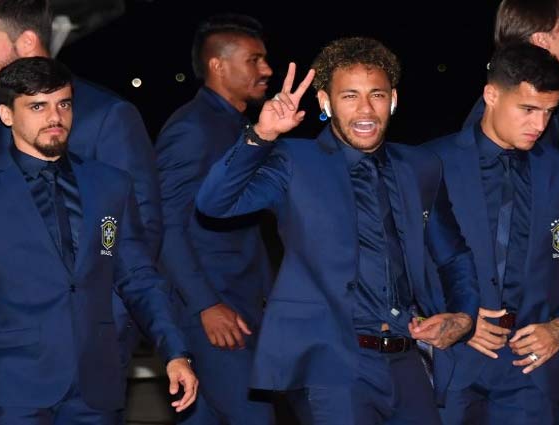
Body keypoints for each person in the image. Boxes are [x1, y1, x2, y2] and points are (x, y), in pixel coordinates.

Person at [196, 37, 480, 425]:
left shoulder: (420, 166)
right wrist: (261, 135)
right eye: (349, 96)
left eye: (377, 94)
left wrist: (464, 315)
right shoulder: (295, 160)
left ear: (393, 99)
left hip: (405, 354)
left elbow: (453, 254)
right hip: (329, 363)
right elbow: (214, 203)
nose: (365, 109)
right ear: (325, 102)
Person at [0, 57, 197, 425]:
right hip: (10, 387)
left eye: (63, 104)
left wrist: (175, 350)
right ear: (7, 114)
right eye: (38, 107)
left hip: (96, 385)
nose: (55, 117)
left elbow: (138, 276)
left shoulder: (110, 184)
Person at [0, 0, 162, 374]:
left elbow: (138, 231)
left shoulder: (106, 116)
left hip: (86, 343)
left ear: (27, 41)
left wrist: (105, 328)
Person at [426, 43, 559, 425]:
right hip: (454, 362)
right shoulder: (429, 164)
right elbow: (407, 258)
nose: (540, 125)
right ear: (491, 95)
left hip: (530, 367)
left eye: (549, 112)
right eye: (528, 109)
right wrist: (458, 321)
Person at [464, 2, 559, 422]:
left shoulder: (544, 119)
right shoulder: (497, 136)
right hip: (512, 351)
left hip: (542, 335)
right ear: (543, 40)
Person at [154, 14, 275, 425]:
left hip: (237, 306)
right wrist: (206, 304)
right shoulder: (193, 129)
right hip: (213, 313)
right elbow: (165, 224)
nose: (266, 70)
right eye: (254, 60)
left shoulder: (237, 125)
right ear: (218, 66)